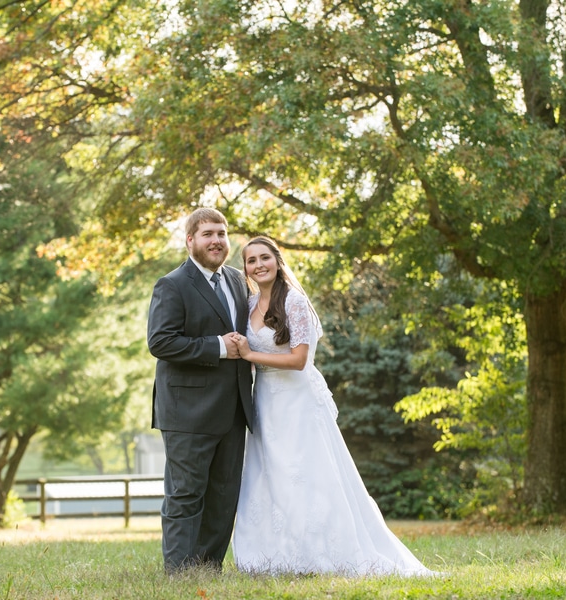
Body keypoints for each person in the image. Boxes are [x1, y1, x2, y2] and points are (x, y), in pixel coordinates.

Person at [230, 236, 438, 577]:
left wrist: (250, 353)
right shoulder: (250, 305)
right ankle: (275, 554)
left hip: (296, 400)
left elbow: (299, 359)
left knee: (307, 473)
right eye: (251, 260)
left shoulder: (294, 301)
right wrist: (242, 352)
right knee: (271, 473)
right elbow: (255, 357)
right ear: (247, 268)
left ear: (277, 260)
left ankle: (319, 551)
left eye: (264, 257)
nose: (258, 265)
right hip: (265, 399)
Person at [147, 208, 255, 573]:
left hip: (235, 408)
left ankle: (208, 569)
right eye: (208, 233)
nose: (216, 241)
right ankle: (179, 573)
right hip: (186, 410)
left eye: (222, 234)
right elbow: (161, 342)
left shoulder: (240, 282)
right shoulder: (172, 284)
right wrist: (219, 347)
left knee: (224, 497)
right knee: (185, 494)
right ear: (190, 240)